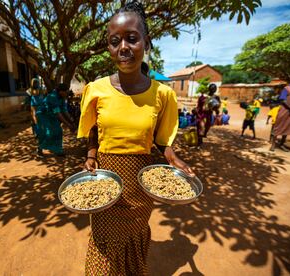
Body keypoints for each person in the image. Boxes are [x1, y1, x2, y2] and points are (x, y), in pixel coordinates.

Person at [77, 2, 194, 274]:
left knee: (132, 238)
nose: (123, 48)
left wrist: (173, 158)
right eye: (114, 41)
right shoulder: (96, 90)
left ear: (146, 42)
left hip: (140, 183)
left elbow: (163, 140)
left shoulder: (163, 95)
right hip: (105, 184)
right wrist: (91, 155)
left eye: (132, 38)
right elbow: (94, 130)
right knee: (104, 245)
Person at [37, 83, 75, 156]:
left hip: (51, 115)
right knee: (47, 133)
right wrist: (68, 125)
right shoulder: (53, 97)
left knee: (58, 131)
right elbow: (58, 114)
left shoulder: (62, 97)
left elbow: (64, 110)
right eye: (66, 92)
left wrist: (71, 121)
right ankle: (40, 148)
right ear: (61, 91)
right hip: (43, 115)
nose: (67, 94)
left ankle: (58, 150)